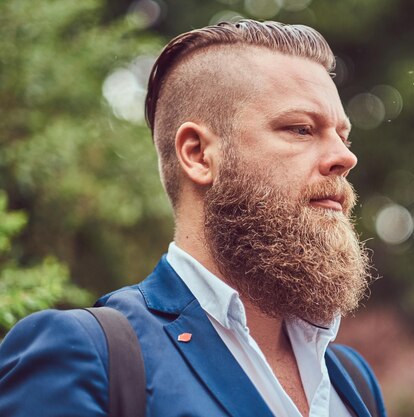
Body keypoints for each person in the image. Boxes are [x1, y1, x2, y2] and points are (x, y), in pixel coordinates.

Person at [0, 20, 385, 417]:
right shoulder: (87, 355)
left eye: (344, 136)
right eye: (302, 129)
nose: (345, 157)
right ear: (199, 154)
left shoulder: (354, 382)